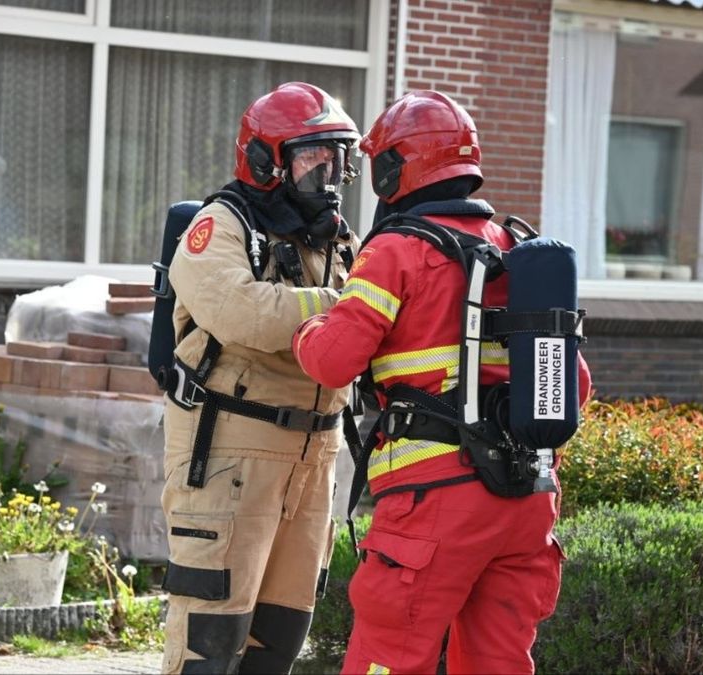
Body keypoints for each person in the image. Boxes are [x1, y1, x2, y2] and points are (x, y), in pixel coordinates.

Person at [291, 90, 593, 674]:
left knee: (389, 657)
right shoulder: (517, 252)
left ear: (393, 169)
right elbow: (573, 387)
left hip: (433, 501)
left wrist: (307, 325)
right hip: (527, 499)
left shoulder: (396, 250)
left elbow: (332, 361)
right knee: (499, 663)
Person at [159, 81, 361, 674]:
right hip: (231, 451)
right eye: (314, 155)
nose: (330, 172)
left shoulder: (334, 239)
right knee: (210, 640)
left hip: (315, 454)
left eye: (338, 157)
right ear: (265, 160)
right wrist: (342, 307)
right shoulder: (221, 224)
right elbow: (240, 311)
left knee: (280, 637)